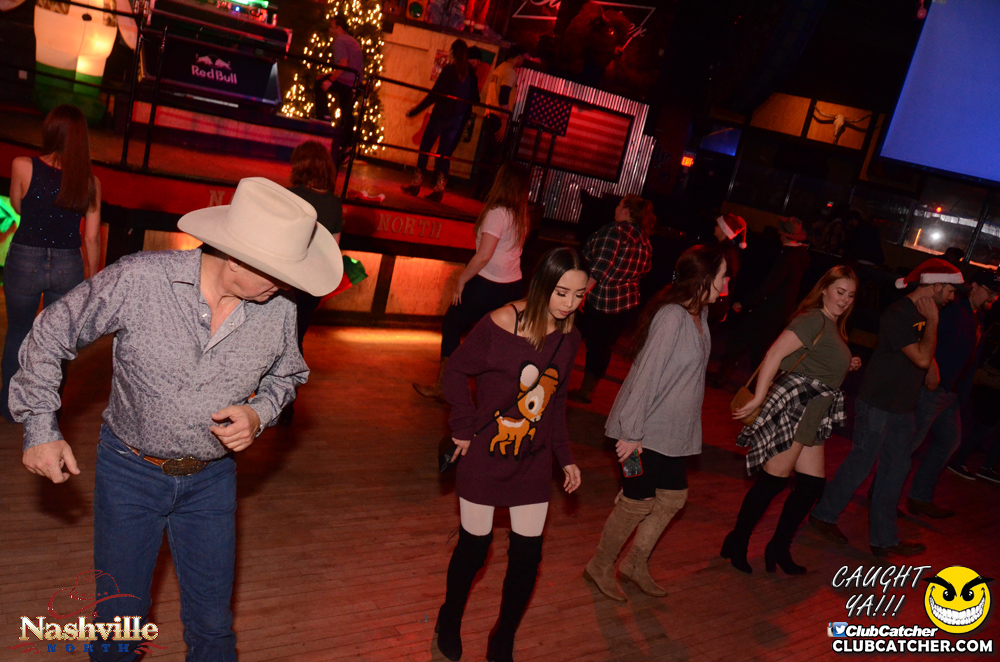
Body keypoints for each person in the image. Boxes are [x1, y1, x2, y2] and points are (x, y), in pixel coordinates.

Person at [11, 177, 343, 662]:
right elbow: (50, 331)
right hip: (129, 474)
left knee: (213, 629)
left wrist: (260, 412)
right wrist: (40, 425)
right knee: (120, 625)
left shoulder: (278, 309)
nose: (286, 285)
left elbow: (288, 374)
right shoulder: (141, 280)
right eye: (278, 273)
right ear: (237, 258)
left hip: (211, 482)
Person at [435, 247, 585, 662]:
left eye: (578, 295)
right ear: (541, 285)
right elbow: (455, 370)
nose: (569, 304)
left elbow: (555, 404)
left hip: (533, 460)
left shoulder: (569, 337)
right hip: (485, 454)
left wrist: (565, 456)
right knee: (474, 549)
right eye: (561, 293)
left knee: (527, 558)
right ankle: (450, 617)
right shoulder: (500, 323)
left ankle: (503, 637)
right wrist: (462, 427)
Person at [584, 245, 727, 601]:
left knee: (673, 497)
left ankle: (634, 564)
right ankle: (600, 565)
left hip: (668, 435)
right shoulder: (672, 317)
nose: (726, 285)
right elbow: (646, 375)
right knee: (636, 501)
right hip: (639, 434)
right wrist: (631, 434)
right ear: (704, 279)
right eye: (723, 277)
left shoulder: (700, 314)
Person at [809, 258, 962, 558]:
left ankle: (884, 539)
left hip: (903, 406)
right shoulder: (899, 313)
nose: (952, 297)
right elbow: (919, 356)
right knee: (861, 463)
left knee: (896, 470)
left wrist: (932, 362)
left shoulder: (918, 314)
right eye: (950, 291)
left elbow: (922, 354)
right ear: (936, 286)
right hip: (879, 402)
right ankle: (823, 514)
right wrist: (932, 327)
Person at [722, 266, 862, 575]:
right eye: (840, 292)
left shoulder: (831, 325)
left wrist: (846, 362)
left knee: (811, 486)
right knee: (772, 482)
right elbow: (773, 355)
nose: (844, 300)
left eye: (850, 296)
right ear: (823, 289)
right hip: (796, 410)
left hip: (813, 415)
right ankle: (737, 540)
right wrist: (759, 397)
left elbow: (819, 362)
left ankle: (778, 547)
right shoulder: (813, 319)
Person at [1, 104, 101, 422]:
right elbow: (91, 238)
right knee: (57, 342)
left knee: (18, 332)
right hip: (68, 265)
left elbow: (18, 206)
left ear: (50, 131)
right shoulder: (90, 182)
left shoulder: (22, 165)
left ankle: (10, 408)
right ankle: (47, 412)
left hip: (25, 258)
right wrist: (94, 281)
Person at [413, 162, 531, 401]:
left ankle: (445, 387)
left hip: (488, 284)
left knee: (452, 324)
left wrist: (461, 280)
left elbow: (484, 255)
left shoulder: (497, 212)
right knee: (493, 339)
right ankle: (493, 393)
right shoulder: (522, 215)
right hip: (513, 285)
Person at [906, 272, 999, 516]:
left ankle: (919, 496)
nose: (993, 298)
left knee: (948, 441)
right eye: (990, 292)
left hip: (950, 393)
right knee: (909, 443)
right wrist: (932, 366)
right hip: (934, 389)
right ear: (974, 286)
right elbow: (925, 334)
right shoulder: (954, 309)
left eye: (996, 294)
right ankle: (882, 495)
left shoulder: (977, 317)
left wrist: (961, 393)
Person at [279, 140, 344, 424]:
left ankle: (268, 397)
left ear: (300, 166)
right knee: (296, 339)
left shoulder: (290, 197)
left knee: (274, 336)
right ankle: (287, 401)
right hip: (312, 284)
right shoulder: (335, 203)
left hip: (285, 279)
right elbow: (334, 249)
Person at [569, 195, 654, 404]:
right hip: (626, 305)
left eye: (619, 204)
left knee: (571, 336)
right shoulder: (644, 239)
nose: (615, 207)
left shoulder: (614, 232)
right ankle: (588, 389)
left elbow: (599, 268)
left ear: (627, 211)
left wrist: (580, 294)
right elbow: (644, 270)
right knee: (602, 346)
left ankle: (555, 376)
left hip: (600, 302)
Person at [709, 216, 810, 388]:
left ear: (783, 235)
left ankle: (729, 379)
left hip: (770, 310)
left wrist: (744, 303)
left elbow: (769, 286)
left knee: (741, 340)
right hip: (779, 311)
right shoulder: (799, 255)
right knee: (758, 348)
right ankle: (754, 385)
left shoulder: (788, 257)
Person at [404, 39, 480, 202]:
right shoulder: (470, 74)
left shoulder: (449, 70)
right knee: (444, 154)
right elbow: (475, 98)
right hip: (456, 119)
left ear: (452, 53)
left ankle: (416, 184)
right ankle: (439, 189)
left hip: (440, 116)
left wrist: (415, 111)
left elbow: (434, 95)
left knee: (425, 147)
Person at [473, 46, 526, 199]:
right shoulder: (509, 72)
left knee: (485, 156)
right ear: (518, 56)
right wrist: (504, 122)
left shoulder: (498, 69)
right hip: (498, 118)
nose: (523, 61)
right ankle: (488, 194)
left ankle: (477, 192)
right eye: (523, 57)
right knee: (495, 159)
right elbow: (504, 97)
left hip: (489, 115)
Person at [314, 15, 364, 159]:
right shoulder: (351, 40)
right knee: (346, 112)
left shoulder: (340, 40)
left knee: (319, 85)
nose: (330, 30)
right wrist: (329, 74)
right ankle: (346, 146)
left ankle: (324, 119)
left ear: (339, 28)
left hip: (347, 81)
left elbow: (344, 63)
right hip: (354, 82)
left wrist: (330, 80)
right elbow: (350, 65)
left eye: (332, 27)